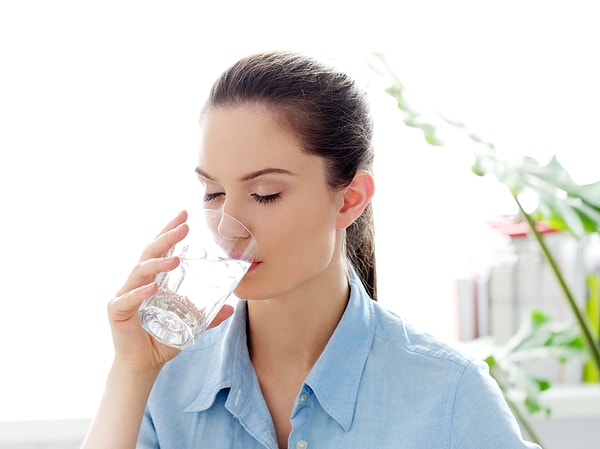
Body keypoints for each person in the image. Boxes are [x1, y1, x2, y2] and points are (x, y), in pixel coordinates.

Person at [81, 50, 540, 449]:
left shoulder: (445, 394)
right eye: (213, 193)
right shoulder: (166, 380)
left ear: (350, 199)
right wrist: (131, 370)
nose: (228, 228)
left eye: (264, 193)